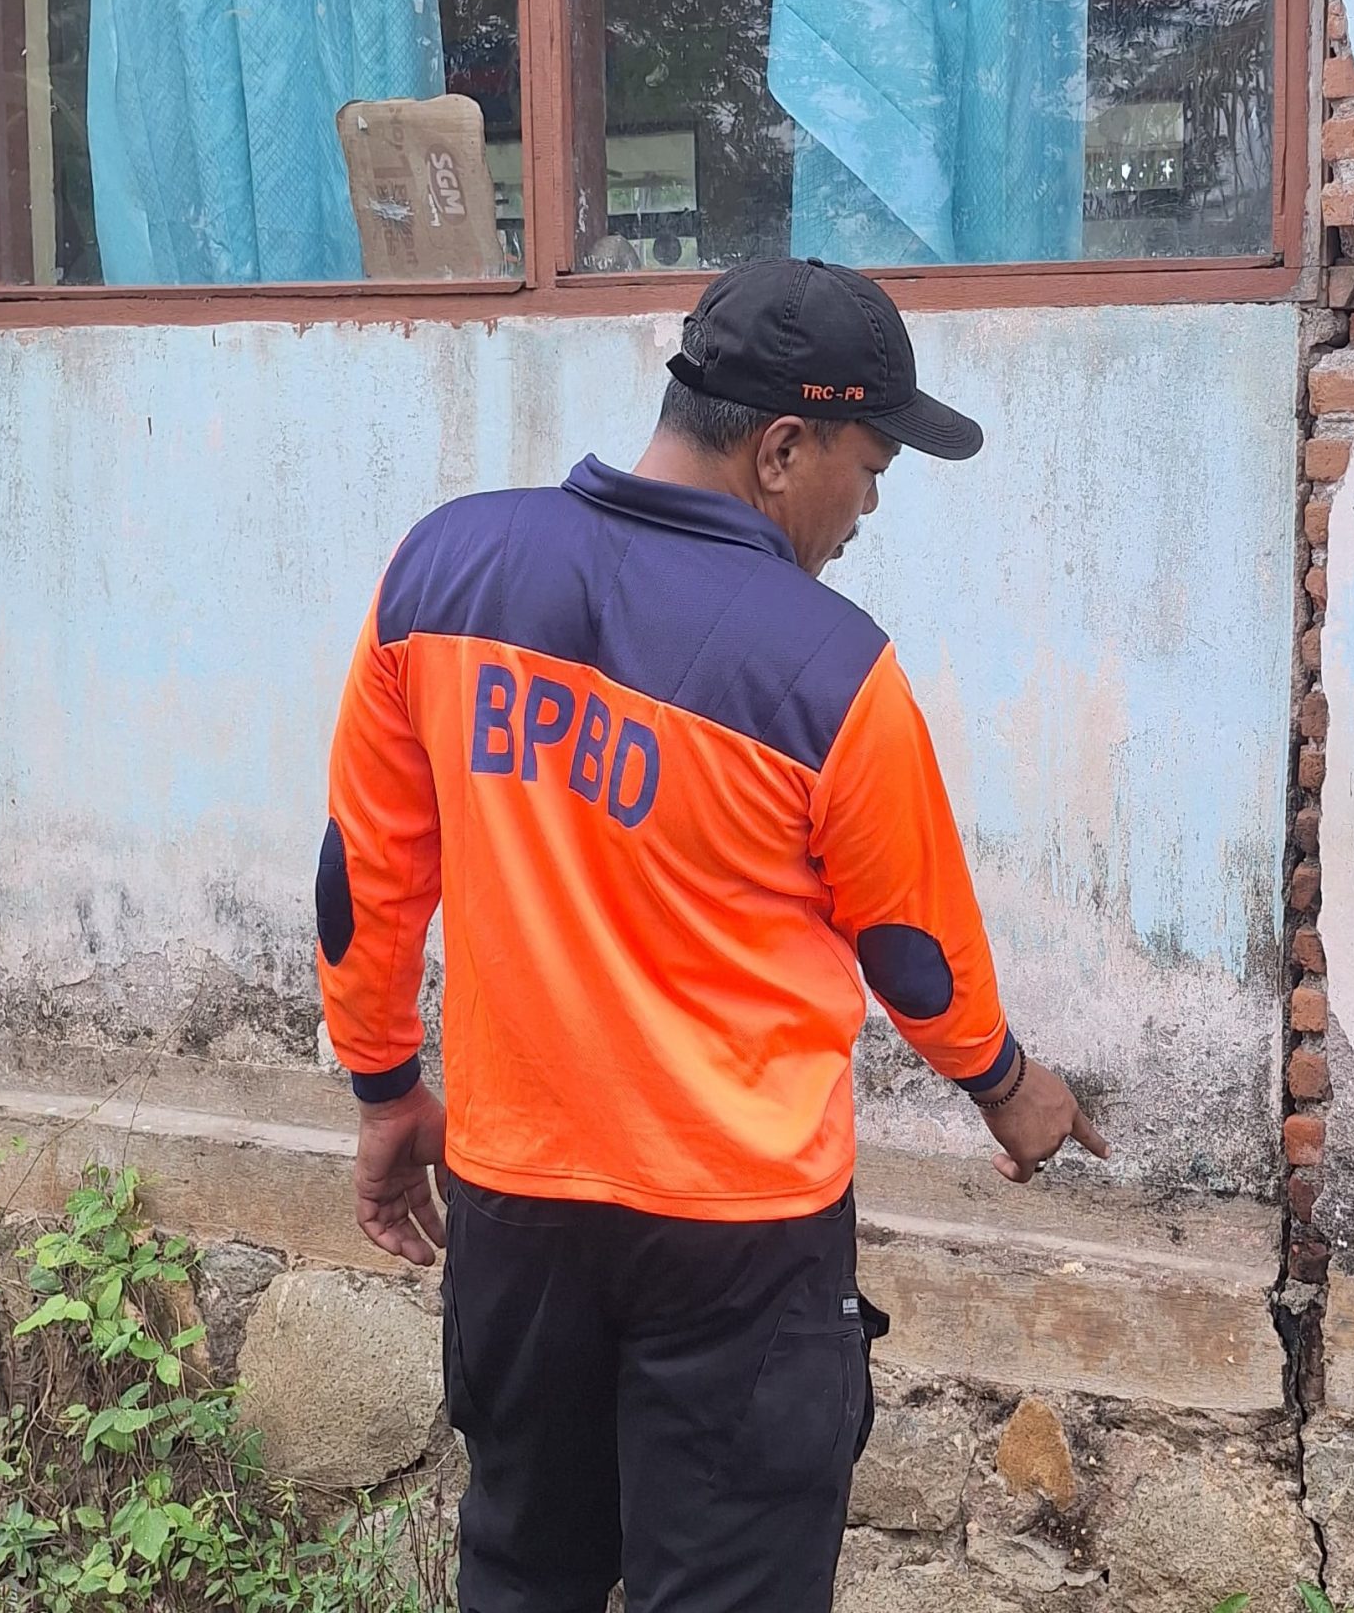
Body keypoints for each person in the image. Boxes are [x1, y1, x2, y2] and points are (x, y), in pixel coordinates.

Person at [310, 258, 1107, 1613]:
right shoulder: (829, 670)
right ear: (785, 447)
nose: (870, 504)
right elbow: (910, 944)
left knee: (522, 1577)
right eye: (870, 464)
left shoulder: (443, 572)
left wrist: (386, 1087)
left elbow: (363, 878)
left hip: (518, 1205)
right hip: (738, 1238)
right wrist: (1010, 1088)